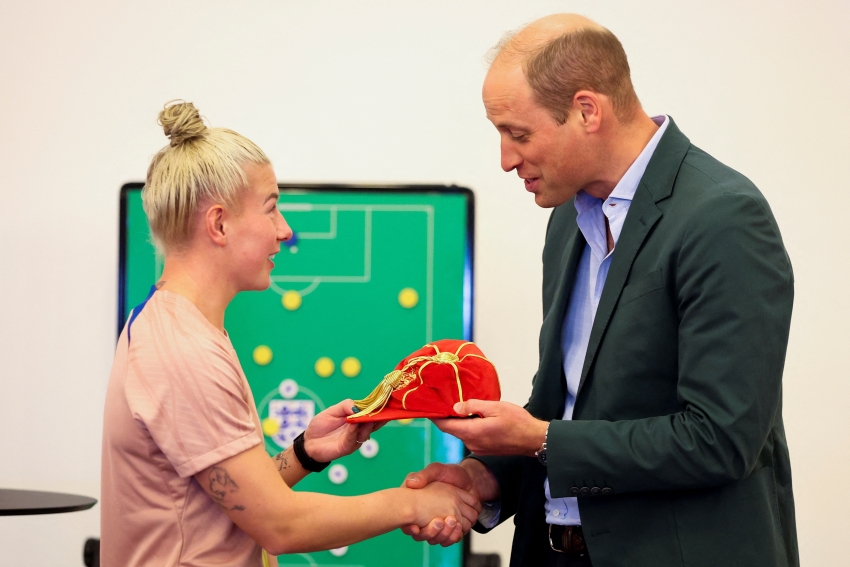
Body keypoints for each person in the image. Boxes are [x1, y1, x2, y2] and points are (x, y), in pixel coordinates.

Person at [402, 14, 798, 567]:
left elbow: (720, 439)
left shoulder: (723, 217)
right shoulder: (568, 219)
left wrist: (538, 439)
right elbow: (564, 403)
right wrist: (484, 477)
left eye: (518, 134)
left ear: (588, 111)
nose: (506, 159)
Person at [100, 101, 479, 566]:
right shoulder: (183, 351)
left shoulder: (176, 327)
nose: (284, 230)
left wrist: (305, 452)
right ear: (219, 224)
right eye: (271, 209)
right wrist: (414, 502)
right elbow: (280, 525)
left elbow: (223, 498)